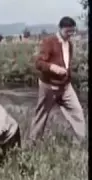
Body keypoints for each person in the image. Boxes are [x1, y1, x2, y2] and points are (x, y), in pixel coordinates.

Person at [29, 16, 86, 145]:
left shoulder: (70, 44)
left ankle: (80, 141)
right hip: (49, 86)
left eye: (72, 31)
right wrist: (52, 67)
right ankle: (33, 143)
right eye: (68, 32)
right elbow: (38, 63)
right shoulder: (49, 42)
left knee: (77, 111)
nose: (70, 34)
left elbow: (67, 64)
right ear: (60, 29)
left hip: (65, 86)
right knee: (41, 115)